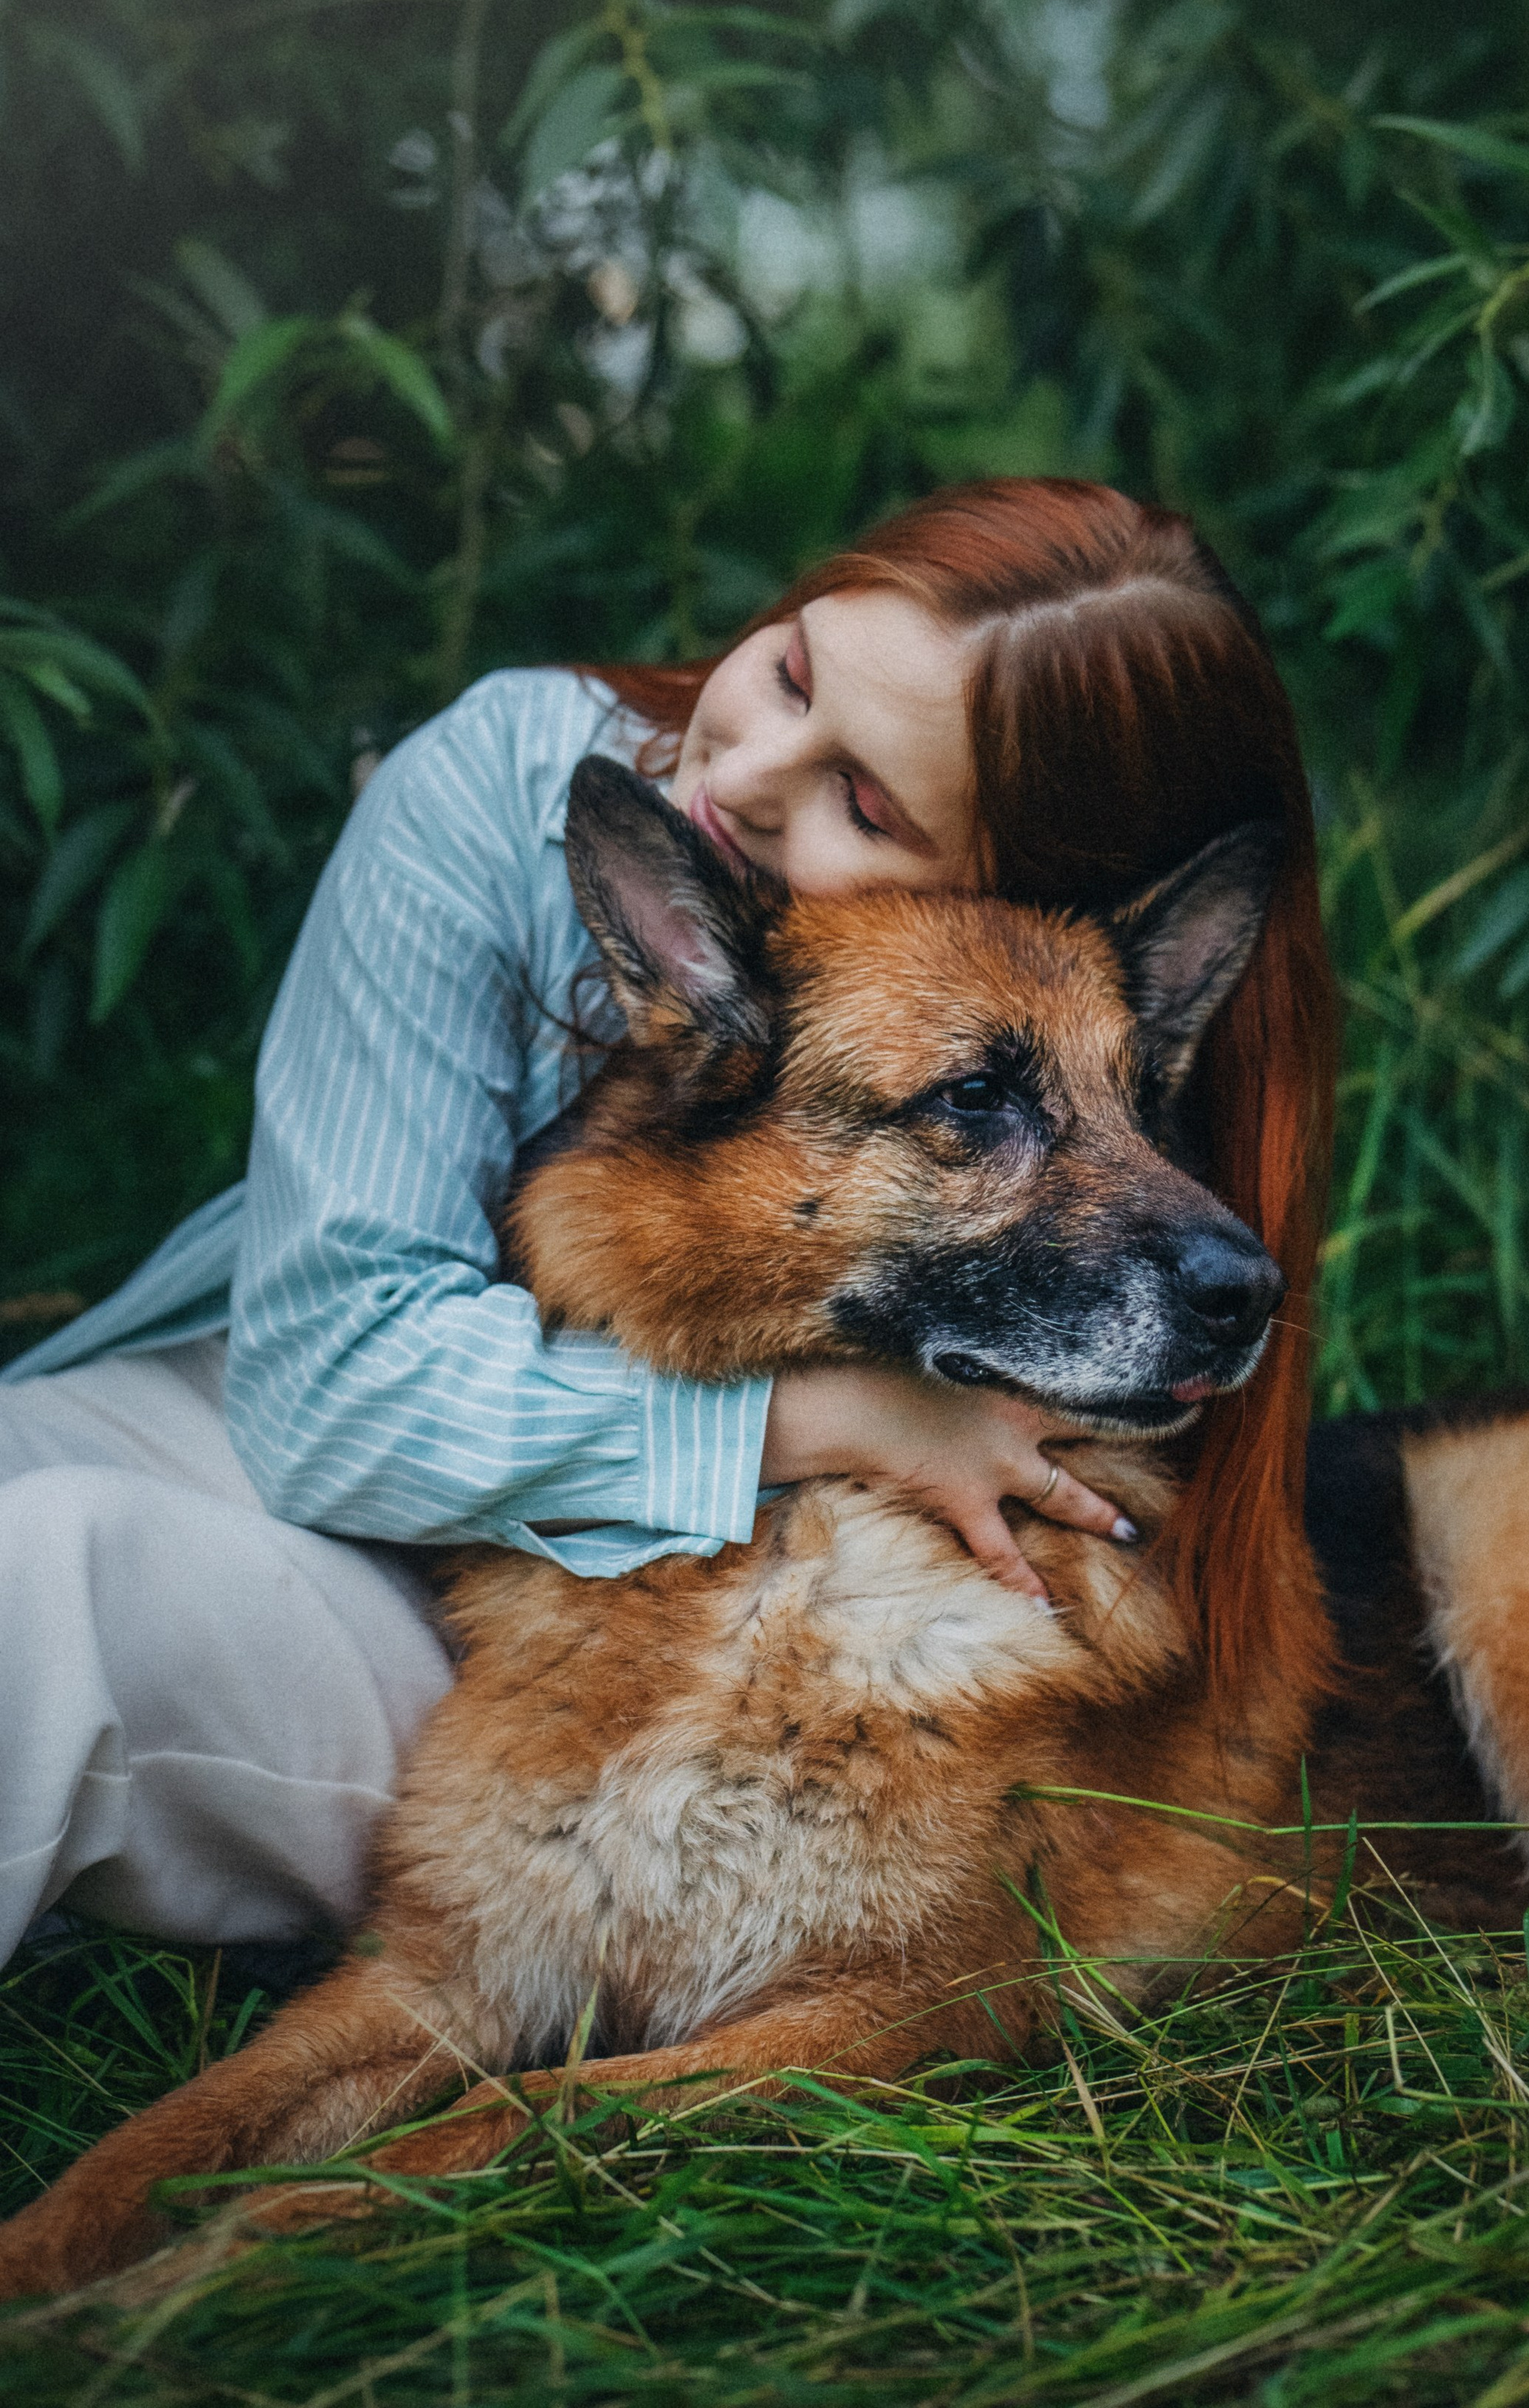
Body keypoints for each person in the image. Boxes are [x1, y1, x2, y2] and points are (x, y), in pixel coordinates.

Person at [0, 480, 1337, 1968]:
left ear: (1003, 895)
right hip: (310, 1380)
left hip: (549, 1617)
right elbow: (325, 1379)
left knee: (44, 1583)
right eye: (791, 671)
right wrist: (830, 1417)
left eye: (866, 805)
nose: (745, 773)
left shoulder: (1037, 1039)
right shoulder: (512, 771)